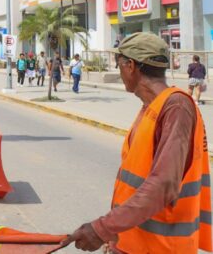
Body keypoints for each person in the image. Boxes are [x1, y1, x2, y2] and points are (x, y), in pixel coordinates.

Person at [62, 33, 211, 253]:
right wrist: (114, 238)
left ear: (130, 65)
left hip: (161, 248)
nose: (119, 72)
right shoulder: (152, 106)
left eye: (118, 64)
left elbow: (163, 185)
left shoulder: (176, 107)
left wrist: (102, 228)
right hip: (133, 245)